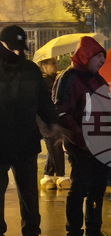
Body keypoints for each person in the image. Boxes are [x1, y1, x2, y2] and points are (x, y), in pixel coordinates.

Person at [0, 25, 62, 236]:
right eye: (12, 48)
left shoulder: (29, 69)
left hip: (25, 139)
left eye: (20, 48)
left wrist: (53, 123)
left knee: (29, 192)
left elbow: (42, 100)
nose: (17, 53)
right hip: (1, 140)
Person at [54, 36, 111, 236]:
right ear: (86, 56)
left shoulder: (99, 79)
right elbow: (62, 112)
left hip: (102, 145)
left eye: (103, 57)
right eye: (99, 57)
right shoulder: (69, 78)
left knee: (98, 189)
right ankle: (74, 235)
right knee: (78, 189)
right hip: (81, 146)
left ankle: (93, 233)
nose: (102, 61)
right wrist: (81, 139)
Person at [38, 58, 70, 190]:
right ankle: (61, 176)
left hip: (54, 117)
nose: (56, 66)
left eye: (56, 63)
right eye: (53, 63)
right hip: (46, 119)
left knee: (53, 145)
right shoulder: (43, 82)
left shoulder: (56, 79)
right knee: (55, 143)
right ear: (44, 65)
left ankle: (48, 176)